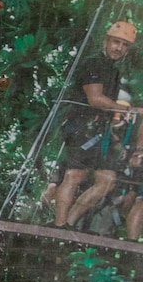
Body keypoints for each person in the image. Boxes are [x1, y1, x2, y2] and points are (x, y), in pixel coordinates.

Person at [53, 20, 143, 230]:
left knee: (107, 179)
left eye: (123, 45)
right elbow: (96, 99)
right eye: (115, 42)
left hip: (97, 130)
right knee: (75, 175)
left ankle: (70, 223)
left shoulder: (113, 71)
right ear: (106, 41)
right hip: (80, 127)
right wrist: (129, 110)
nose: (118, 48)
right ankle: (59, 226)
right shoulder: (94, 63)